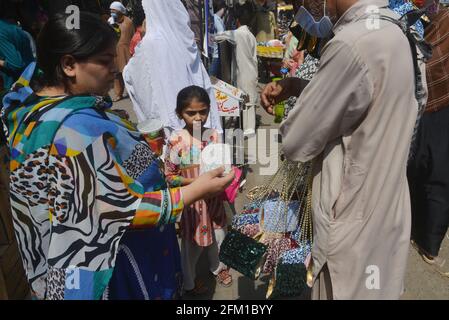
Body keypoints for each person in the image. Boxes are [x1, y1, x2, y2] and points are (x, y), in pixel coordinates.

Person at [1, 12, 234, 300]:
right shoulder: (72, 130)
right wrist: (197, 189)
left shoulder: (40, 107)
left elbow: (115, 174)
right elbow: (119, 209)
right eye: (104, 60)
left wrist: (174, 181)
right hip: (108, 268)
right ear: (69, 64)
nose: (115, 68)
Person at [261, 0, 428, 299]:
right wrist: (300, 86)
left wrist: (302, 107)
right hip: (387, 213)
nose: (311, 7)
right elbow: (364, 97)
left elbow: (297, 141)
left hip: (352, 223)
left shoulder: (352, 43)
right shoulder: (397, 30)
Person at [165, 85, 232, 295]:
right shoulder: (176, 141)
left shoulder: (212, 136)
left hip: (213, 200)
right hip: (193, 204)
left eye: (203, 111)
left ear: (209, 110)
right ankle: (188, 283)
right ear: (179, 113)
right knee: (191, 246)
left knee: (219, 236)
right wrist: (196, 184)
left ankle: (217, 267)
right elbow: (170, 177)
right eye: (190, 112)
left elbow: (220, 164)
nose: (197, 117)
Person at [123, 0, 222, 132]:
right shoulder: (184, 39)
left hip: (167, 124)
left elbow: (131, 74)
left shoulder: (151, 42)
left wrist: (145, 37)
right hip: (197, 118)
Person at [408, 2, 449, 277]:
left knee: (430, 172)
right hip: (432, 103)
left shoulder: (438, 16)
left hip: (428, 103)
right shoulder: (436, 16)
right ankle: (426, 243)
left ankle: (421, 237)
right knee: (437, 177)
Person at [0, 0, 35, 95]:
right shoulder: (11, 27)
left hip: (16, 89)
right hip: (30, 80)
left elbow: (16, 64)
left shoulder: (1, 32)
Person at [109, 1, 135, 102]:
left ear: (120, 11)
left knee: (128, 72)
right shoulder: (111, 21)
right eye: (111, 11)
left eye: (114, 10)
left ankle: (132, 92)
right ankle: (118, 94)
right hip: (115, 52)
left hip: (126, 51)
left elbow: (132, 37)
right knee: (116, 75)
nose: (112, 12)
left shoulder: (128, 22)